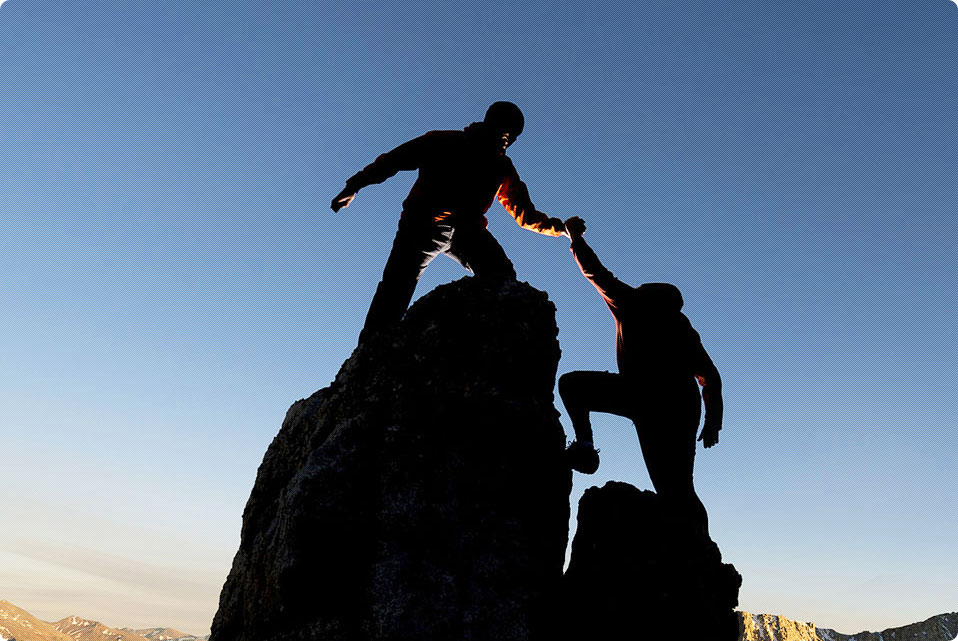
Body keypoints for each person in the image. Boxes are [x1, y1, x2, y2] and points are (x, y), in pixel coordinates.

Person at [331, 102, 569, 341]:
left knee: (502, 276)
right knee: (395, 291)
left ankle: (474, 339)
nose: (509, 141)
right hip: (422, 227)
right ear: (492, 124)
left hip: (467, 232)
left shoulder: (502, 167)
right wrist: (355, 185)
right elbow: (393, 161)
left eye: (514, 137)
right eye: (507, 134)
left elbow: (525, 215)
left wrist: (560, 229)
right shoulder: (443, 141)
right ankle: (371, 349)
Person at [558, 216, 722, 535]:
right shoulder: (682, 327)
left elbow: (595, 272)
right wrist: (712, 420)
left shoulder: (633, 303)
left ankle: (586, 446)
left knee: (572, 385)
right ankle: (698, 545)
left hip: (643, 398)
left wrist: (574, 237)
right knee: (677, 487)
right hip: (679, 408)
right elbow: (710, 376)